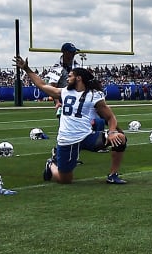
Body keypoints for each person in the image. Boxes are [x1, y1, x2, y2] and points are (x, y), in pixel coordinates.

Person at [14, 56, 128, 184]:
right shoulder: (63, 92)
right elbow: (41, 85)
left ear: (78, 78)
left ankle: (113, 175)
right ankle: (51, 165)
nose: (67, 79)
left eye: (70, 76)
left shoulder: (94, 95)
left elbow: (110, 117)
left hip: (86, 136)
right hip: (68, 140)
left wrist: (112, 132)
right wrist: (26, 69)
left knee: (120, 138)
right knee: (65, 180)